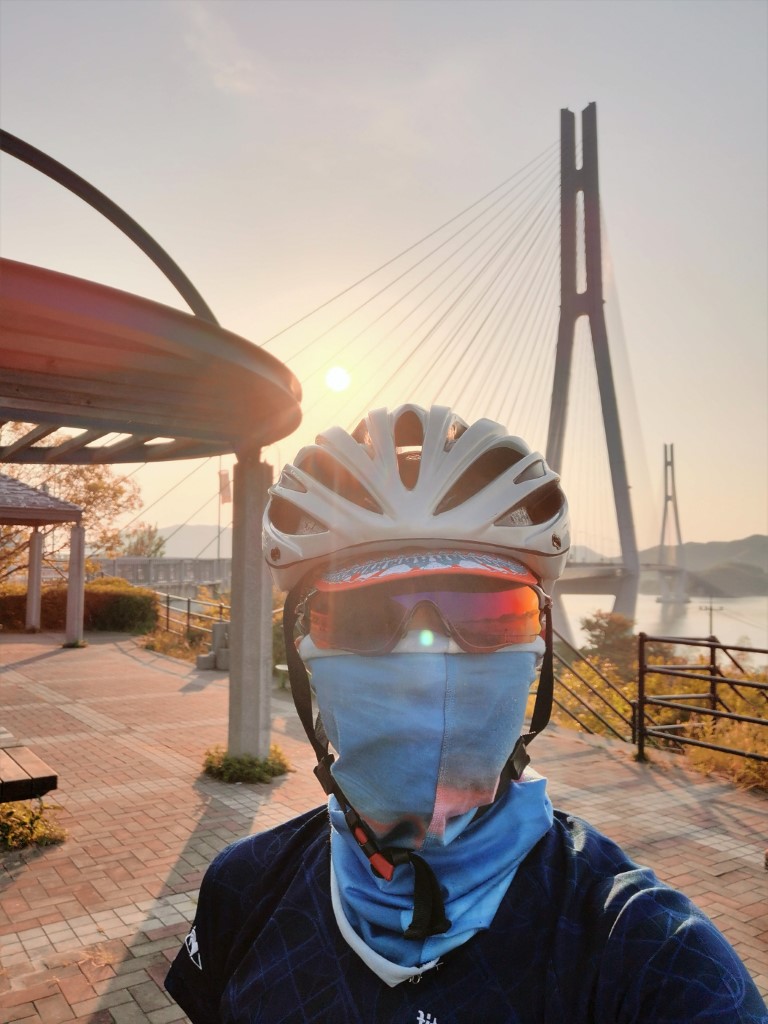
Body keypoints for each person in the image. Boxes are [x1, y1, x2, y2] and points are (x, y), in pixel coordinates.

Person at [166, 404, 767, 1023]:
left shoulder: (650, 954)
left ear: (541, 652)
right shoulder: (243, 889)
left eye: (488, 615)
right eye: (363, 617)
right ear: (303, 653)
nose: (430, 665)